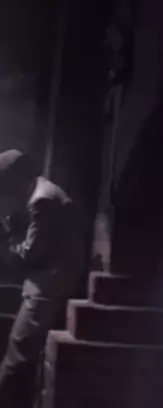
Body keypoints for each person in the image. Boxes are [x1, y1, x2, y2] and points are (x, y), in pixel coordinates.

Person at [0, 150, 84, 407]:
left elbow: (31, 254)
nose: (6, 192)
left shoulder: (41, 200)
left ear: (15, 178)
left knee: (17, 355)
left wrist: (9, 241)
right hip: (48, 284)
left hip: (46, 288)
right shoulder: (43, 192)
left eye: (4, 184)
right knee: (27, 359)